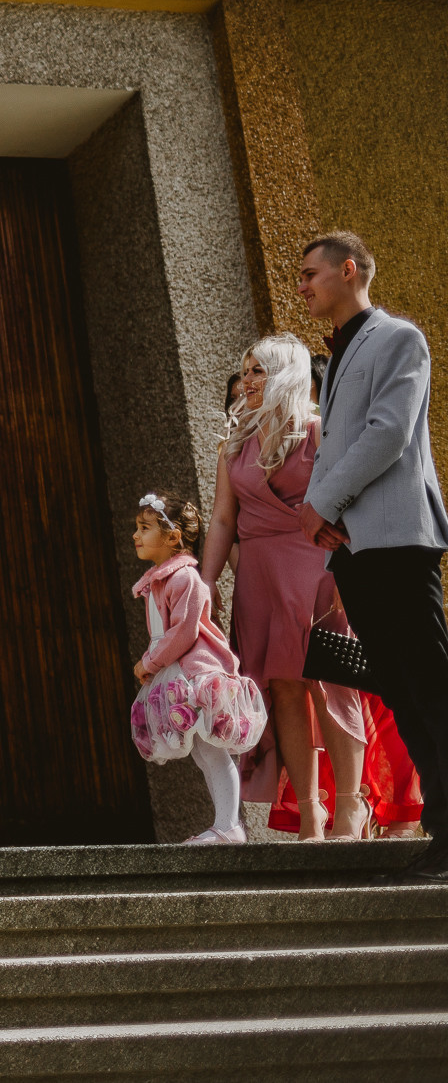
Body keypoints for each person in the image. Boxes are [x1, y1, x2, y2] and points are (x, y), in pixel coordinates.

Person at [297, 230, 448, 882]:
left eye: (310, 273)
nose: (302, 285)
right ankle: (443, 833)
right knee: (404, 695)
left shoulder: (398, 338)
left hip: (399, 541)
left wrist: (322, 502)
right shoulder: (335, 357)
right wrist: (323, 513)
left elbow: (388, 432)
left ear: (349, 269)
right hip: (356, 549)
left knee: (431, 684)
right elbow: (335, 445)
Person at [199, 334, 367, 840]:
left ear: (286, 374)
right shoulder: (233, 445)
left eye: (259, 371)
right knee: (284, 689)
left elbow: (353, 502)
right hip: (259, 576)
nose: (246, 380)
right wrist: (206, 582)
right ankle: (310, 813)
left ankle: (351, 805)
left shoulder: (318, 431)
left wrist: (353, 569)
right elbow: (222, 519)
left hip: (316, 568)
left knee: (328, 683)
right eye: (246, 370)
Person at [129, 490, 267, 843]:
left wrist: (150, 661)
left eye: (144, 527)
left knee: (212, 751)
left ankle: (229, 826)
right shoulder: (160, 581)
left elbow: (184, 631)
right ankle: (224, 823)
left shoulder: (185, 579)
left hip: (197, 675)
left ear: (173, 536)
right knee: (204, 754)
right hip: (178, 674)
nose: (135, 535)